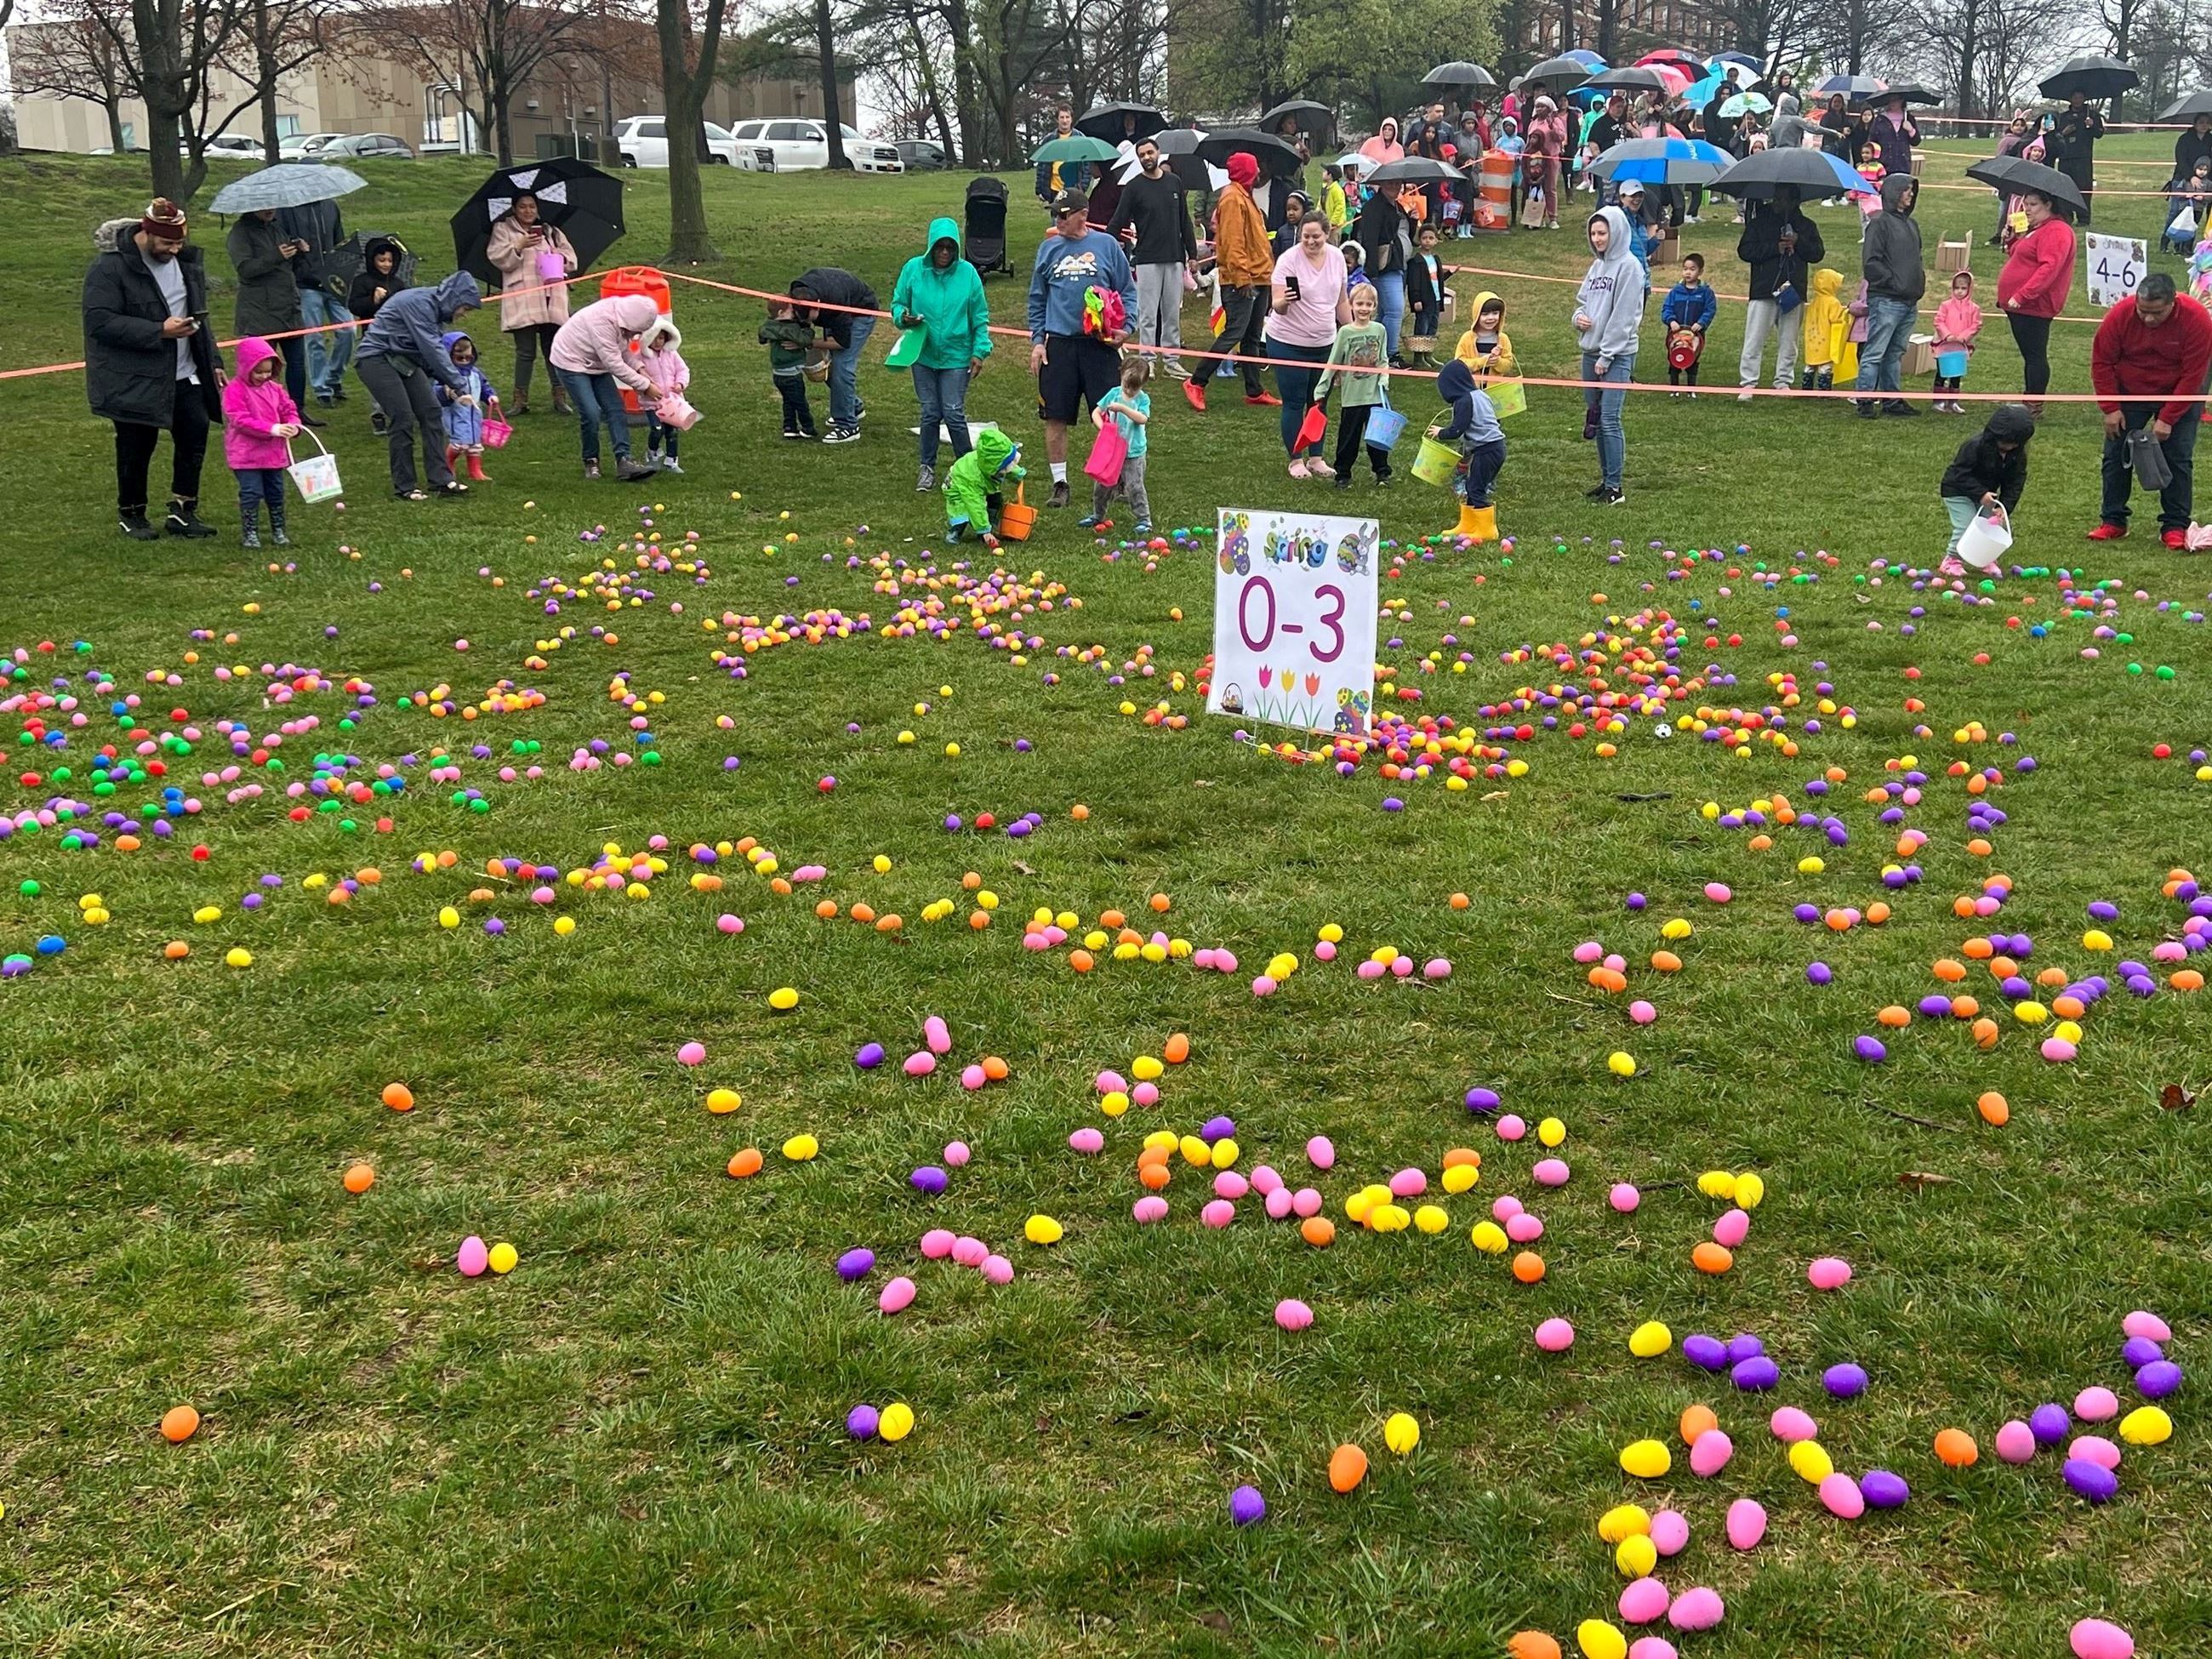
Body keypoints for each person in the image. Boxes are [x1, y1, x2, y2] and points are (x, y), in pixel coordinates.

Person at [83, 197, 225, 539]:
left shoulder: (186, 264)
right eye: (167, 243)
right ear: (146, 234)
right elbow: (99, 321)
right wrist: (158, 331)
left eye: (179, 242)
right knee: (136, 444)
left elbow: (199, 317)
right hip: (133, 375)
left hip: (184, 370)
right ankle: (132, 513)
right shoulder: (110, 268)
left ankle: (183, 509)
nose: (174, 250)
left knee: (195, 433)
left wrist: (214, 361)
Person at [1025, 188, 1137, 508]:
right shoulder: (1047, 250)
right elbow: (1037, 299)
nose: (1058, 220)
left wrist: (1126, 327)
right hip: (1059, 344)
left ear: (1083, 215)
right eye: (1055, 214)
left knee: (1109, 414)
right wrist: (1037, 342)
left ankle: (1114, 478)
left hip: (1099, 345)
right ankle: (1060, 483)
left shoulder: (1107, 246)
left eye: (1063, 214)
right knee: (1055, 417)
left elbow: (1128, 291)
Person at [2088, 272, 2212, 546]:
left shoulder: (2197, 319)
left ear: (2173, 303)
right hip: (2130, 390)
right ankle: (2113, 520)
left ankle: (2174, 525)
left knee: (2178, 458)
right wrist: (2110, 408)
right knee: (2115, 454)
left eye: (2156, 313)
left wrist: (2168, 418)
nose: (2148, 319)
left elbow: (2194, 375)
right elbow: (2102, 362)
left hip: (2180, 390)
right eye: (2143, 311)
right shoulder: (2120, 316)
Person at [355, 270, 483, 499]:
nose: (463, 314)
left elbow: (427, 354)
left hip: (404, 361)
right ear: (454, 299)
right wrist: (459, 386)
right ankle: (405, 486)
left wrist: (450, 384)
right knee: (402, 417)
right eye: (465, 308)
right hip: (375, 359)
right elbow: (431, 348)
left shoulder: (434, 311)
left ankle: (441, 480)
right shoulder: (420, 304)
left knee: (431, 411)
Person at [889, 215, 991, 490]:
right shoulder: (913, 270)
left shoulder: (968, 274)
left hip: (957, 356)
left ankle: (967, 468)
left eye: (949, 247)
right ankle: (927, 467)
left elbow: (980, 317)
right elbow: (897, 304)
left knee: (954, 411)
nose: (944, 252)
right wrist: (904, 317)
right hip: (922, 354)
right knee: (930, 412)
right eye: (939, 247)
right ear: (931, 247)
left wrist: (980, 351)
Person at [1188, 152, 1274, 413]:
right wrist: (1242, 279)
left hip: (1259, 276)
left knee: (1251, 336)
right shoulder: (1233, 199)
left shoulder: (1244, 196)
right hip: (1243, 280)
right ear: (1246, 173)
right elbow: (1233, 244)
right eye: (1255, 169)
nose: (1259, 174)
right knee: (1234, 333)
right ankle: (1196, 381)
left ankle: (1254, 389)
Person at [546, 292, 663, 482]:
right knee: (591, 412)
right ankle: (591, 460)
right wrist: (645, 386)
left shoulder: (623, 320)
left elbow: (622, 351)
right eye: (635, 332)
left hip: (597, 363)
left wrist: (641, 369)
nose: (636, 336)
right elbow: (614, 364)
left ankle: (624, 461)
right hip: (571, 362)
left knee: (616, 409)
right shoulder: (602, 321)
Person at [1270, 213, 1352, 479]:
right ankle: (1296, 459)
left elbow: (1341, 301)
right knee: (1294, 402)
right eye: (1306, 236)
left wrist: (1350, 334)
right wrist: (1286, 301)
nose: (1311, 241)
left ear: (1327, 234)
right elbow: (1277, 306)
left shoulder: (1338, 258)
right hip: (1288, 341)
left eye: (1316, 236)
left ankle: (1316, 457)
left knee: (1319, 402)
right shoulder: (1288, 260)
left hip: (1325, 342)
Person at [1574, 205, 1645, 505]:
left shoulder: (1629, 266)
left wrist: (1607, 356)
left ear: (1615, 232)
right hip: (1590, 352)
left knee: (1611, 418)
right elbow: (1582, 301)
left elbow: (1625, 316)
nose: (1597, 238)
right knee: (1597, 418)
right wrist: (1578, 317)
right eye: (1593, 233)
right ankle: (1605, 480)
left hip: (1616, 356)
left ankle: (1615, 487)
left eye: (1602, 233)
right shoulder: (1596, 266)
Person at [483, 192, 578, 418]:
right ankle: (520, 400)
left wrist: (555, 256)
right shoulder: (503, 229)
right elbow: (497, 258)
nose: (528, 211)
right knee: (525, 351)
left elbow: (572, 260)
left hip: (552, 297)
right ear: (514, 209)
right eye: (523, 207)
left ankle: (560, 397)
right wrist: (519, 245)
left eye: (532, 206)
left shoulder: (550, 231)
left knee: (553, 349)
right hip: (523, 298)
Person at [226, 207, 317, 422]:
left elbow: (288, 266)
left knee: (296, 362)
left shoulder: (277, 228)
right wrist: (276, 255)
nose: (270, 210)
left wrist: (299, 251)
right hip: (260, 310)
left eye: (272, 206)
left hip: (289, 307)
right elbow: (245, 269)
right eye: (264, 207)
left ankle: (297, 411)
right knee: (264, 366)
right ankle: (264, 411)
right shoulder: (240, 232)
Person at [1737, 185, 1821, 398]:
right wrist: (1775, 248)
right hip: (1763, 289)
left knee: (1789, 340)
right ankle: (1748, 383)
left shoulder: (1807, 226)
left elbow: (1817, 253)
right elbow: (1745, 251)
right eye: (1776, 197)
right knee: (1754, 338)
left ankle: (1783, 381)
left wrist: (1799, 242)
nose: (1777, 202)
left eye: (1783, 199)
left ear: (1795, 202)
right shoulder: (1758, 223)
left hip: (1793, 290)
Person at [1996, 188, 2076, 410]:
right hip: (2022, 306)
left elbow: (2049, 269)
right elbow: (2022, 256)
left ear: (2048, 205)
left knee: (2034, 355)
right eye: (2025, 204)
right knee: (2030, 354)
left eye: (2032, 205)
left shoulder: (2057, 231)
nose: (2026, 209)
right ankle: (2030, 398)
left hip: (2033, 306)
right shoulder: (2040, 229)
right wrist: (2012, 241)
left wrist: (2022, 295)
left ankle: (2033, 402)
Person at [220, 337, 301, 549]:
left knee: (276, 491)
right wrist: (272, 429)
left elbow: (288, 408)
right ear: (246, 367)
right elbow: (239, 419)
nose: (264, 376)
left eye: (268, 371)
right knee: (251, 492)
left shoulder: (274, 388)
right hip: (246, 454)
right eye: (259, 372)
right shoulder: (234, 390)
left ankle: (279, 529)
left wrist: (294, 424)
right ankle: (250, 532)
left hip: (273, 454)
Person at [1855, 175, 1924, 418]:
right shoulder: (1879, 223)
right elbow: (1871, 263)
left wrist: (1916, 284)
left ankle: (1891, 400)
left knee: (1895, 353)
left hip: (1908, 300)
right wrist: (1893, 283)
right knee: (1875, 351)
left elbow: (1918, 258)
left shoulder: (1911, 224)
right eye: (1906, 190)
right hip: (1887, 299)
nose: (1910, 194)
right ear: (1894, 193)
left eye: (1911, 191)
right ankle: (1865, 399)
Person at [1938, 403, 2032, 577]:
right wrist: (1980, 493)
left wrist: (2004, 506)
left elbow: (2015, 481)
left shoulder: (2017, 455)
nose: (2009, 447)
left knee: (1993, 526)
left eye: (2014, 444)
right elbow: (1960, 473)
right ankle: (1951, 560)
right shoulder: (1974, 446)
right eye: (2004, 442)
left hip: (1987, 495)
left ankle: (1986, 559)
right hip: (1957, 490)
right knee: (1966, 525)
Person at [1314, 282, 1392, 489]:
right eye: (1360, 304)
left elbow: (1383, 359)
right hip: (1352, 397)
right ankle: (1343, 474)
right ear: (1351, 305)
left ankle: (1382, 473)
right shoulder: (1345, 333)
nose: (1364, 308)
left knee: (1377, 438)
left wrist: (1384, 378)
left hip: (1375, 396)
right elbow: (1333, 362)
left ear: (1375, 306)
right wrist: (1322, 388)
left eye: (1369, 304)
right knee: (1349, 437)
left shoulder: (1380, 329)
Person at [790, 266, 879, 443]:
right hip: (836, 309)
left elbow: (841, 343)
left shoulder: (835, 304)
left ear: (818, 305)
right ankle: (854, 407)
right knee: (826, 365)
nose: (808, 323)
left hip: (861, 312)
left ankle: (848, 426)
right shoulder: (797, 294)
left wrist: (809, 342)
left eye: (811, 319)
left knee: (841, 365)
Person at [276, 192, 351, 407]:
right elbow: (281, 239)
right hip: (306, 282)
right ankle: (321, 388)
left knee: (347, 330)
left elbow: (339, 240)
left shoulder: (331, 206)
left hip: (333, 281)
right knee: (314, 337)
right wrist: (296, 247)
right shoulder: (287, 209)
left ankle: (334, 377)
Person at [1436, 357, 1505, 541]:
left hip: (1487, 449)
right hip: (1495, 447)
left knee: (1476, 488)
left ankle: (1487, 530)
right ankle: (1468, 524)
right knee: (1473, 484)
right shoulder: (1481, 395)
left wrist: (1440, 432)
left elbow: (1458, 429)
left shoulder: (1464, 401)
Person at [1082, 358, 1153, 532]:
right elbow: (1096, 412)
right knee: (1102, 485)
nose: (1128, 391)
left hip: (1133, 452)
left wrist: (1123, 409)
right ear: (1121, 376)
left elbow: (1142, 418)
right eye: (1126, 385)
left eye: (1134, 388)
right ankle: (1098, 515)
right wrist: (1104, 428)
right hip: (1112, 450)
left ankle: (1144, 520)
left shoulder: (1143, 400)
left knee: (1135, 486)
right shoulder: (1113, 393)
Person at [1351, 179, 1410, 363]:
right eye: (1390, 184)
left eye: (1397, 184)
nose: (1394, 187)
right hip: (1383, 268)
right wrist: (1372, 272)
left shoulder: (1396, 206)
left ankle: (1378, 352)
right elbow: (1370, 239)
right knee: (1395, 310)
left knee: (1385, 311)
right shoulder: (1374, 207)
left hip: (1396, 263)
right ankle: (1391, 354)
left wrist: (1413, 219)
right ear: (1381, 185)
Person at [436, 329, 501, 482]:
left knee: (474, 444)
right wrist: (447, 393)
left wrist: (490, 396)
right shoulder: (446, 374)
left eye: (468, 357)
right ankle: (448, 464)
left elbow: (484, 386)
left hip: (474, 414)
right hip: (455, 414)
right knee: (459, 443)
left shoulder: (475, 373)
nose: (465, 360)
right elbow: (436, 392)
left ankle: (475, 470)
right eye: (460, 357)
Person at [943, 427, 1023, 547]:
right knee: (962, 511)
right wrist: (983, 529)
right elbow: (975, 504)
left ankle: (990, 527)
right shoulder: (974, 478)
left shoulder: (990, 461)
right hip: (957, 486)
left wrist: (1019, 474)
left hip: (977, 482)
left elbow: (1006, 465)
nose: (1007, 469)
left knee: (995, 500)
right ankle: (955, 532)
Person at [759, 298, 819, 439]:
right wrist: (808, 327)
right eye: (791, 310)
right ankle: (808, 427)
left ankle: (789, 427)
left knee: (788, 400)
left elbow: (761, 336)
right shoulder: (790, 328)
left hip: (778, 374)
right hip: (792, 374)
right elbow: (805, 340)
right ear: (782, 313)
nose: (794, 313)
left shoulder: (769, 326)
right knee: (800, 402)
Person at [637, 322, 689, 472]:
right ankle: (652, 452)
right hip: (652, 403)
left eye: (661, 338)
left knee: (672, 431)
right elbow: (636, 378)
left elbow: (683, 370)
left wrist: (680, 384)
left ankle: (671, 460)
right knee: (657, 428)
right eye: (653, 338)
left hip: (673, 402)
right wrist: (646, 389)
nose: (657, 342)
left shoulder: (672, 355)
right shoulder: (640, 359)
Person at [1661, 252, 1715, 391]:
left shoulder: (1705, 292)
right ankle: (1674, 388)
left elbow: (1710, 310)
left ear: (1700, 271)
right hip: (1676, 333)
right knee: (1674, 357)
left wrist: (1702, 323)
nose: (1688, 272)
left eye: (1692, 269)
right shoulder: (1675, 292)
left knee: (1693, 358)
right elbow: (1667, 308)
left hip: (1695, 334)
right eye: (1685, 269)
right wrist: (1671, 321)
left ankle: (1691, 388)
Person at [1931, 271, 1983, 415]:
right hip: (1944, 345)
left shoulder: (1974, 308)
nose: (1959, 292)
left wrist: (1964, 337)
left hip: (1960, 346)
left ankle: (1953, 402)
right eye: (1956, 288)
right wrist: (1946, 335)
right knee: (1941, 372)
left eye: (1963, 288)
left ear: (1969, 289)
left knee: (1956, 374)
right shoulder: (1945, 305)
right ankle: (1938, 401)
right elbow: (1939, 321)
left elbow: (1976, 324)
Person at [2052, 91, 2105, 220]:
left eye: (2080, 97)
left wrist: (2092, 126)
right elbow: (2053, 136)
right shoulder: (2062, 117)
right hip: (2065, 157)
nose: (2077, 100)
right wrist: (2063, 133)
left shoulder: (2092, 115)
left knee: (2084, 187)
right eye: (2075, 97)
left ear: (2084, 98)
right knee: (2065, 187)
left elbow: (2099, 134)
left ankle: (2084, 217)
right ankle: (2066, 216)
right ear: (2070, 99)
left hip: (2083, 157)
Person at [1404, 223, 1451, 368]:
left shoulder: (1436, 259)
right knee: (1421, 328)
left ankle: (1428, 354)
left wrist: (1450, 273)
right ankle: (1418, 358)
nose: (1428, 241)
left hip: (1436, 300)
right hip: (1423, 301)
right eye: (1424, 238)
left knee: (1432, 328)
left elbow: (1438, 279)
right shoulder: (1416, 261)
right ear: (1420, 240)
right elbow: (1414, 283)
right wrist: (1416, 299)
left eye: (1431, 238)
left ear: (1436, 240)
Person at [1799, 266, 1848, 391]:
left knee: (1810, 365)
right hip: (1826, 339)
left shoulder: (1814, 301)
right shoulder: (1833, 302)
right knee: (1825, 365)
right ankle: (1824, 390)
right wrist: (1847, 313)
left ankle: (1807, 387)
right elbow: (1836, 318)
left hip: (1812, 339)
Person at [1521, 97, 1564, 229]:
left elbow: (1561, 137)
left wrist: (1552, 126)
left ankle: (1553, 217)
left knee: (1550, 188)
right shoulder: (1533, 122)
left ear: (1549, 108)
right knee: (1535, 188)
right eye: (1537, 106)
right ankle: (1537, 217)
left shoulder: (1556, 121)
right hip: (1534, 160)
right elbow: (1529, 141)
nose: (1539, 109)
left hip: (1550, 158)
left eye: (1542, 106)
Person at [1454, 290, 1514, 380]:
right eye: (1485, 314)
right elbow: (1458, 364)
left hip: (1494, 390)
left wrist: (1497, 362)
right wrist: (1482, 362)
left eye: (1495, 313)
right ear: (1477, 315)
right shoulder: (1467, 338)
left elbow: (1508, 365)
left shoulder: (1503, 339)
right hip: (1471, 388)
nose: (1490, 318)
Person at [1034, 105, 1086, 208]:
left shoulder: (1080, 139)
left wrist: (1083, 187)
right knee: (1056, 220)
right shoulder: (1049, 139)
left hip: (1073, 189)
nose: (1065, 121)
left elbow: (1087, 166)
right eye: (1062, 117)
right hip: (1054, 189)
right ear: (1057, 119)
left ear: (1071, 119)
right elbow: (1042, 166)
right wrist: (1039, 189)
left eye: (1067, 117)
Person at [1868, 94, 1919, 180]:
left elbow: (1916, 141)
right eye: (1891, 100)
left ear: (1902, 100)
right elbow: (1872, 142)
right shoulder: (1880, 119)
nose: (1893, 103)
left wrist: (1911, 130)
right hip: (1884, 164)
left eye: (1895, 100)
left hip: (1903, 164)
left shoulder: (1909, 118)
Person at [2175, 111, 2212, 188]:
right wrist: (2191, 176)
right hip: (2182, 177)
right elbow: (2181, 159)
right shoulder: (2184, 139)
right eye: (2201, 122)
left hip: (2206, 179)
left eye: (2208, 123)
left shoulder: (2210, 139)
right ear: (2195, 124)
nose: (2204, 125)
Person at [1321, 165, 1350, 238]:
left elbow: (1340, 207)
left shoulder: (1337, 189)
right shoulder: (1325, 188)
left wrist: (1332, 223)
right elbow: (1321, 204)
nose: (1323, 173)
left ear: (1330, 175)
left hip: (1334, 227)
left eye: (1325, 171)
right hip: (1325, 224)